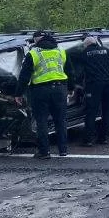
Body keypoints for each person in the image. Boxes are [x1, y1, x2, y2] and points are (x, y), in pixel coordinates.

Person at [15, 30, 74, 159]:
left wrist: (18, 93)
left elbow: (24, 76)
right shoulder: (61, 51)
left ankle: (44, 152)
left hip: (40, 91)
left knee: (41, 121)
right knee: (61, 120)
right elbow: (70, 70)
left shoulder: (33, 53)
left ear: (36, 40)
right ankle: (63, 150)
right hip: (60, 89)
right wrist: (71, 88)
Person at [77, 34, 109, 146]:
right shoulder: (108, 51)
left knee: (91, 112)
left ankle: (88, 140)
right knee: (107, 111)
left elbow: (79, 71)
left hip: (94, 86)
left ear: (86, 45)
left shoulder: (84, 54)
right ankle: (103, 138)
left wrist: (76, 84)